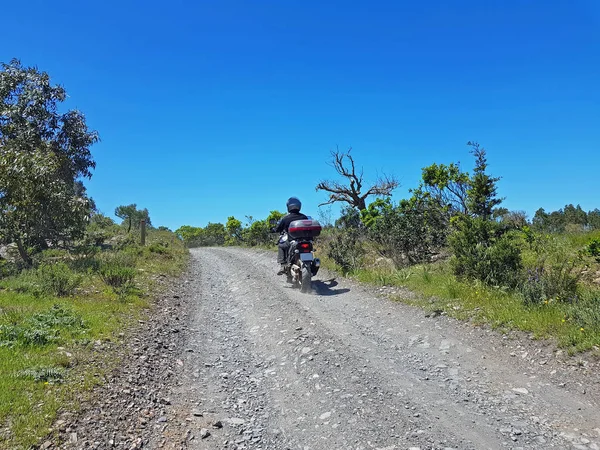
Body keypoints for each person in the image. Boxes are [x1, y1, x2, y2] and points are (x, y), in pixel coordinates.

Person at [274, 197, 308, 275]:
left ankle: (283, 265)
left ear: (288, 206)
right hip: (304, 240)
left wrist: (274, 229)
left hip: (291, 241)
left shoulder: (286, 218)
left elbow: (278, 228)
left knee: (281, 246)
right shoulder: (304, 217)